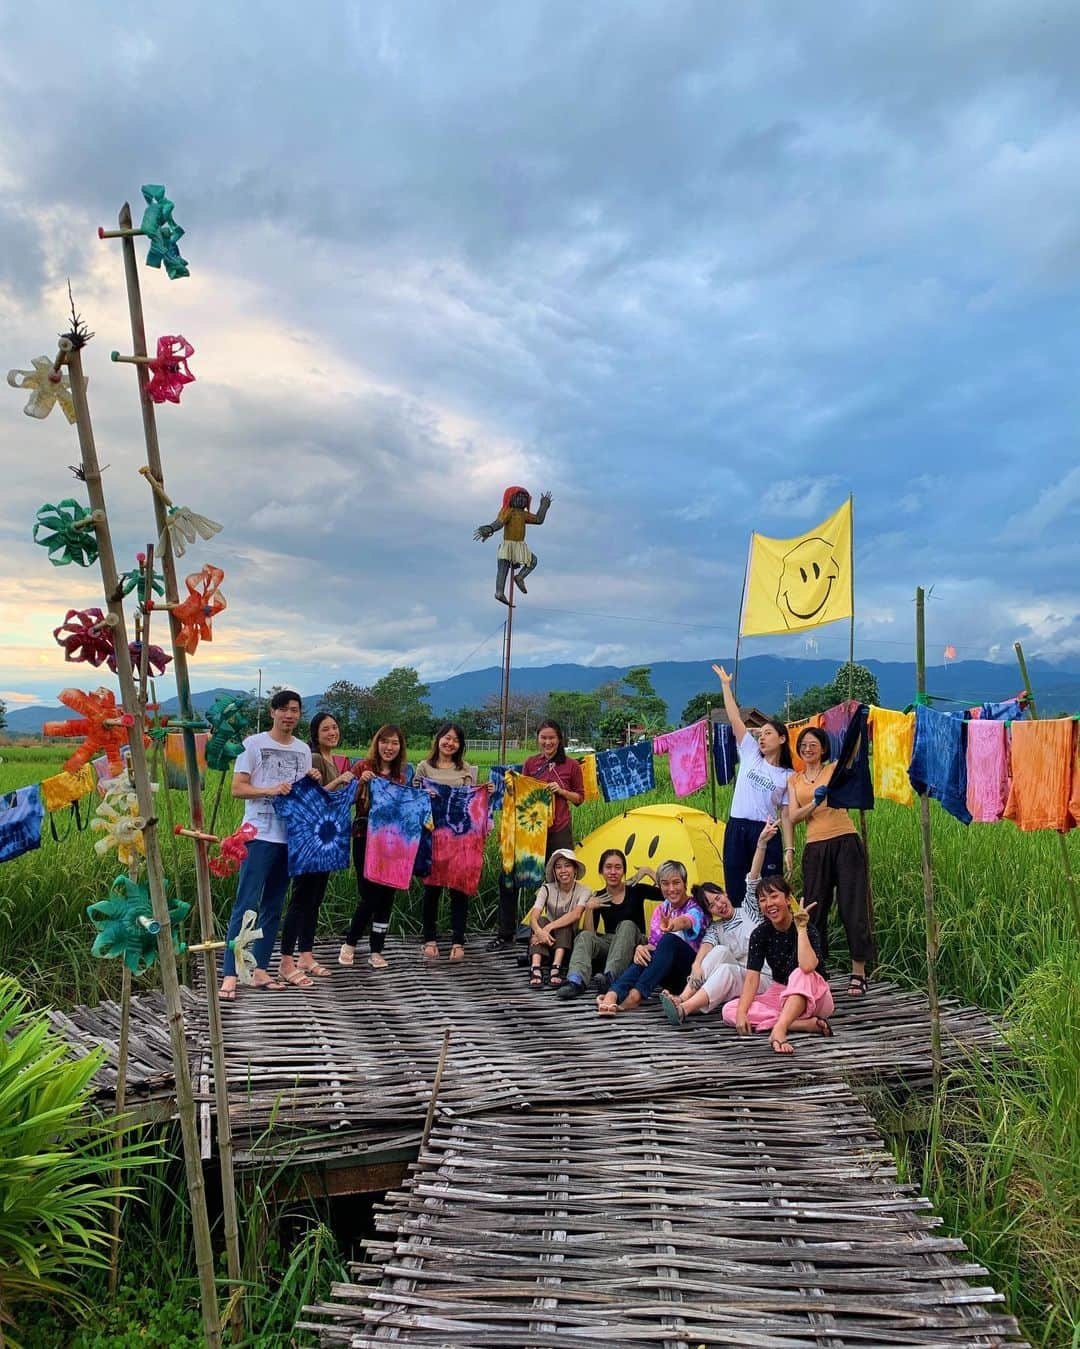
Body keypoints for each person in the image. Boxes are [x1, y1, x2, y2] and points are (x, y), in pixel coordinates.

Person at [219, 690, 316, 999]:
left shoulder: (303, 750)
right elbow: (238, 788)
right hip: (258, 834)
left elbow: (302, 794)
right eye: (284, 709)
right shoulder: (253, 744)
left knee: (273, 906)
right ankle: (230, 973)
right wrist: (272, 789)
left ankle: (260, 969)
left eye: (295, 711)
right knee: (245, 903)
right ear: (273, 712)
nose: (289, 715)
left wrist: (312, 778)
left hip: (290, 838)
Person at [659, 821, 776, 1026]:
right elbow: (706, 950)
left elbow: (753, 877)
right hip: (739, 978)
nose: (719, 905)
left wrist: (761, 844)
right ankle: (683, 997)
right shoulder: (716, 928)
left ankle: (684, 1009)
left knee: (726, 971)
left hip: (763, 976)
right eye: (712, 906)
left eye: (718, 898)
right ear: (710, 912)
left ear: (725, 893)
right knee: (719, 952)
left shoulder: (749, 908)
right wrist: (696, 965)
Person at [786, 726, 875, 996]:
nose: (808, 749)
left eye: (813, 744)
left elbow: (853, 753)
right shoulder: (794, 780)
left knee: (853, 906)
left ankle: (858, 973)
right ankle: (818, 972)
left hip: (845, 841)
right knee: (815, 909)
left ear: (823, 748)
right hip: (815, 848)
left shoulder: (833, 769)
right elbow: (793, 816)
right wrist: (814, 803)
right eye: (803, 745)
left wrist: (858, 723)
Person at [488, 718, 584, 950]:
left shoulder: (571, 765)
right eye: (544, 738)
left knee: (561, 880)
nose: (548, 742)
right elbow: (522, 791)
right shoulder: (531, 763)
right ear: (538, 739)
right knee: (510, 876)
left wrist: (561, 791)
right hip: (530, 832)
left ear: (559, 739)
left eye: (552, 738)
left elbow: (580, 798)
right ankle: (506, 933)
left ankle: (559, 936)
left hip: (559, 830)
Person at [277, 713, 355, 987]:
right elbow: (315, 797)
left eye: (335, 727)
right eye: (326, 729)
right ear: (315, 733)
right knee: (300, 899)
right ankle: (286, 959)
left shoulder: (333, 758)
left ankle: (306, 956)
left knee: (314, 900)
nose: (332, 732)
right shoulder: (315, 758)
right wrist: (341, 782)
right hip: (310, 841)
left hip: (326, 841)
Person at [721, 872, 835, 1054]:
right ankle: (800, 1024)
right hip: (780, 992)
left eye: (774, 896)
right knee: (730, 1010)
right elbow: (752, 979)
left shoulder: (807, 929)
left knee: (799, 973)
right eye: (763, 900)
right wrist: (742, 1013)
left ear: (788, 900)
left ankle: (780, 1029)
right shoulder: (760, 934)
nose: (769, 904)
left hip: (815, 994)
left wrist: (802, 928)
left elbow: (807, 967)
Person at [711, 664, 794, 908]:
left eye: (768, 733)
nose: (762, 737)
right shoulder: (749, 753)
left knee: (769, 890)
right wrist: (726, 685)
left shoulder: (788, 775)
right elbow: (735, 717)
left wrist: (789, 848)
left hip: (765, 832)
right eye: (761, 734)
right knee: (736, 888)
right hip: (737, 828)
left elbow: (786, 814)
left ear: (782, 739)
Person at [413, 721, 490, 963]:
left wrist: (486, 791)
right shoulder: (424, 767)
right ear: (438, 739)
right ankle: (430, 940)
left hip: (460, 839)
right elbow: (413, 799)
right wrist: (424, 794)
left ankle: (458, 941)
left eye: (455, 740)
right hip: (433, 837)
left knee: (459, 890)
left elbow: (471, 801)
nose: (449, 743)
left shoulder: (465, 769)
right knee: (432, 890)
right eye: (446, 737)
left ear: (460, 745)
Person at [339, 724, 408, 970]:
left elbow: (404, 807)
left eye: (394, 743)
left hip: (393, 841)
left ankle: (377, 949)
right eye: (385, 741)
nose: (389, 747)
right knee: (369, 894)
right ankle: (350, 942)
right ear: (376, 743)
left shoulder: (402, 774)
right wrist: (360, 784)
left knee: (387, 894)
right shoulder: (362, 768)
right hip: (364, 837)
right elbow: (346, 800)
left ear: (400, 747)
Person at [596, 860, 707, 1015]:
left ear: (685, 884)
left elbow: (687, 921)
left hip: (692, 977)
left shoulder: (695, 907)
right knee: (646, 954)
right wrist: (640, 948)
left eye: (676, 883)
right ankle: (613, 993)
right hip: (668, 976)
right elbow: (654, 946)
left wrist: (672, 925)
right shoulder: (660, 910)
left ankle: (636, 995)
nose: (671, 889)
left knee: (670, 940)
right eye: (665, 884)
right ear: (660, 886)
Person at [557, 850, 658, 999]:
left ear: (624, 871)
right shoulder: (599, 896)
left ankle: (611, 977)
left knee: (627, 925)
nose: (613, 872)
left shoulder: (636, 889)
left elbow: (670, 893)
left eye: (618, 867)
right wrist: (589, 909)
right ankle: (575, 981)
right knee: (583, 936)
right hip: (612, 945)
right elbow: (590, 935)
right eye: (608, 867)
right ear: (601, 871)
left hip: (637, 944)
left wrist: (649, 871)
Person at [473, 485, 552, 604]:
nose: (521, 499)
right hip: (508, 545)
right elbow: (499, 523)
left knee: (533, 561)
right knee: (503, 567)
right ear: (510, 497)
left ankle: (520, 577)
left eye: (524, 497)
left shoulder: (523, 514)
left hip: (520, 546)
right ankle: (499, 592)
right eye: (518, 496)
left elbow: (538, 519)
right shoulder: (508, 511)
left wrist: (544, 505)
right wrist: (490, 528)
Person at [528, 849, 592, 988]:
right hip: (545, 938)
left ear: (575, 869)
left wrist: (548, 928)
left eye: (567, 865)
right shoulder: (546, 889)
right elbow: (533, 916)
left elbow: (576, 914)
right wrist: (539, 932)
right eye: (558, 867)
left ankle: (555, 968)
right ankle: (535, 967)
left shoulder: (585, 890)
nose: (563, 870)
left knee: (564, 923)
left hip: (567, 939)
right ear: (554, 872)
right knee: (540, 920)